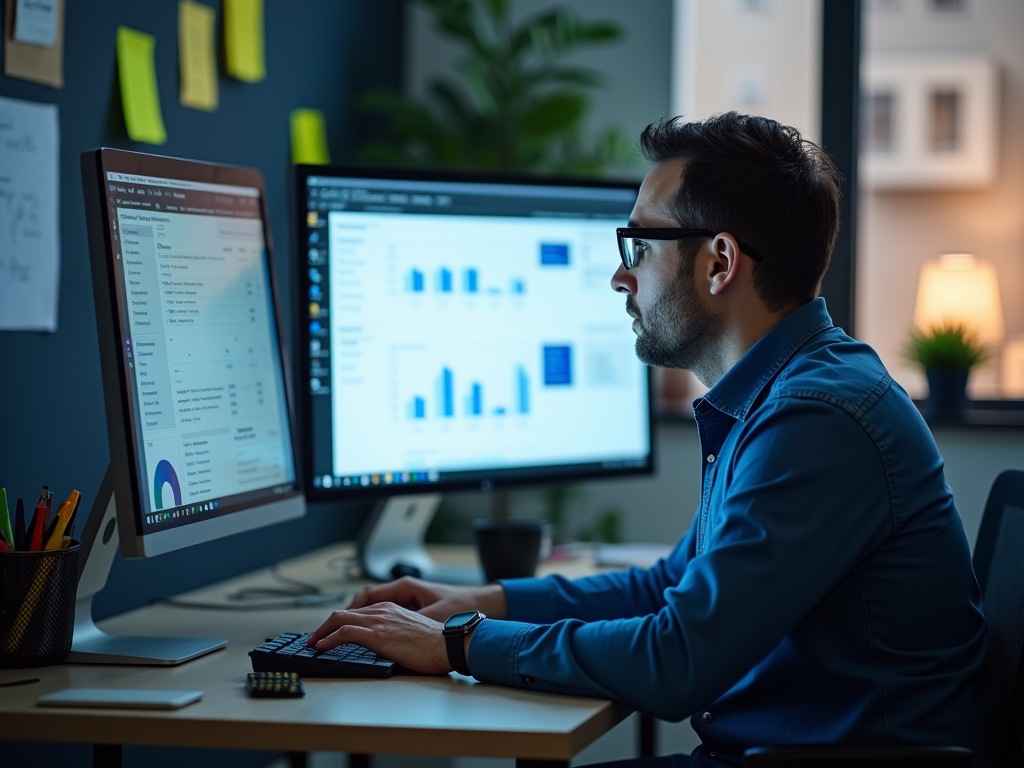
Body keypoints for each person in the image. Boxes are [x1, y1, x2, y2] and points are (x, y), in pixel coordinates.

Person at [309, 113, 991, 767]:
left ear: (720, 261)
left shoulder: (817, 417)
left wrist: (456, 644)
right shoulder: (785, 395)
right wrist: (482, 604)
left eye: (639, 245)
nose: (620, 276)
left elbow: (678, 659)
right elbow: (676, 584)